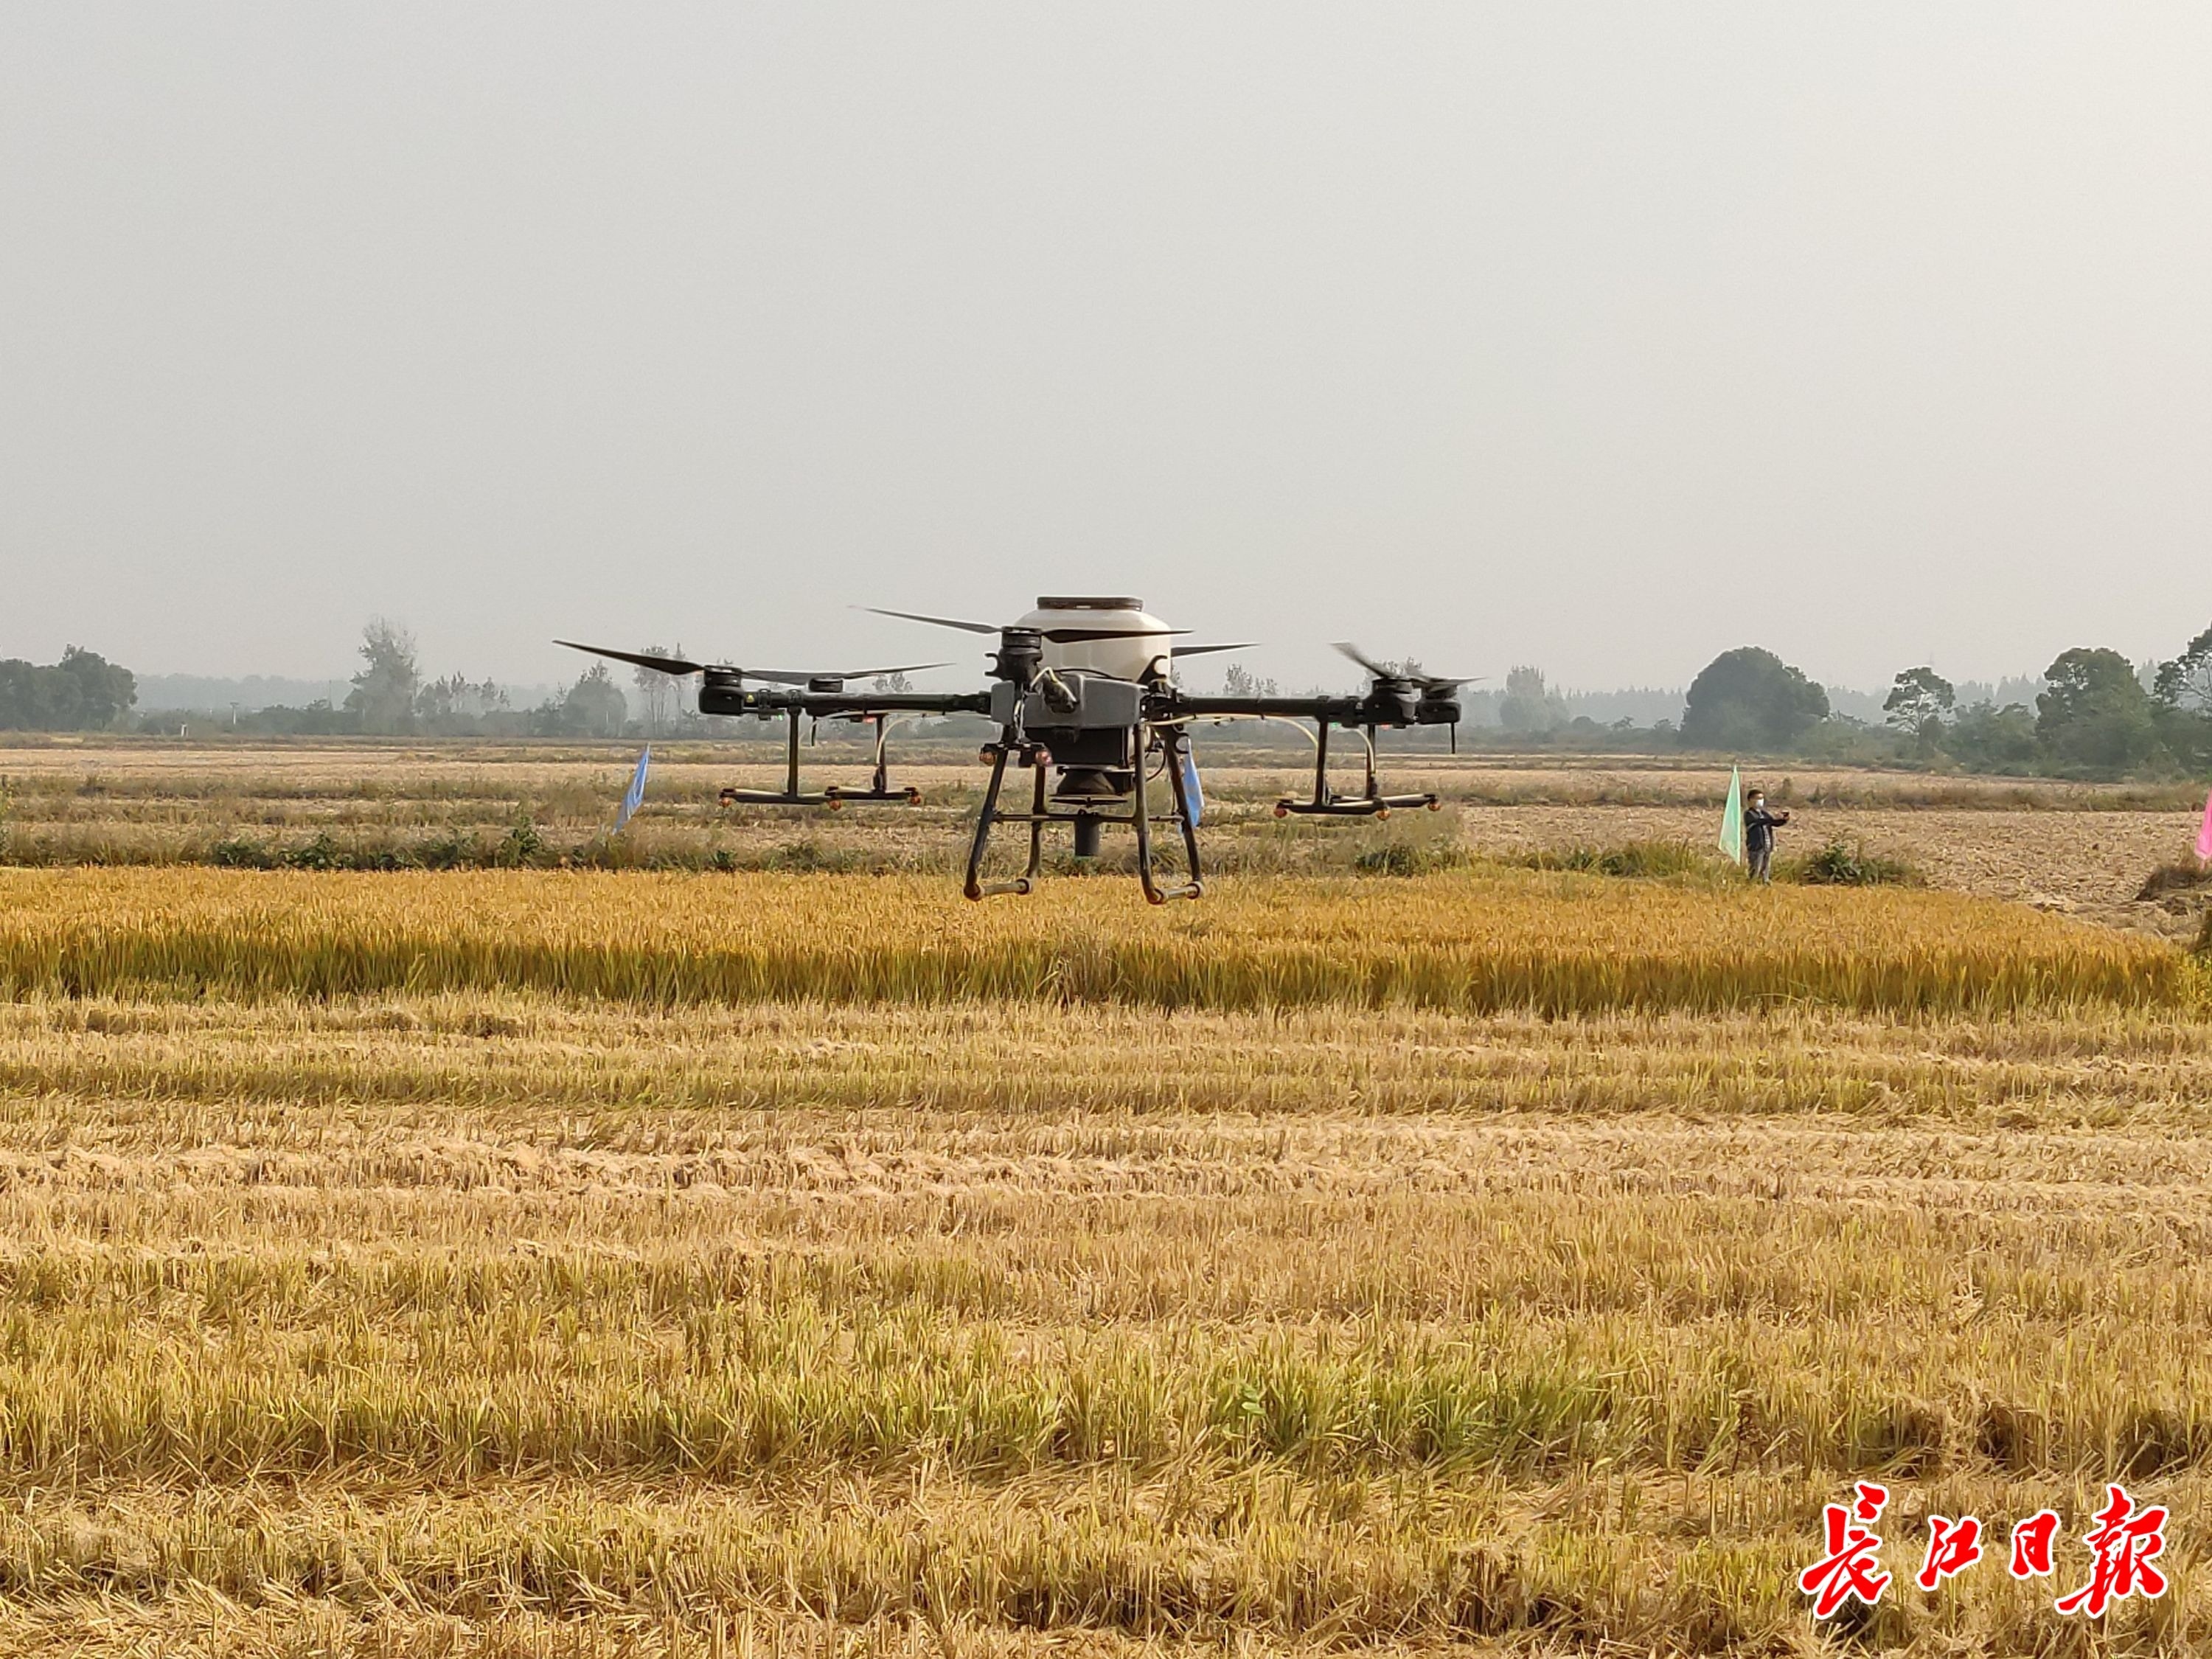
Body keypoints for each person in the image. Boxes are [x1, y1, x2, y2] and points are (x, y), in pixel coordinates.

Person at [1744, 789, 1790, 883]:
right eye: (1757, 799)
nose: (1760, 801)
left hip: (1767, 845)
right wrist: (1771, 819)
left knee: (1765, 870)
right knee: (1755, 869)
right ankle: (1752, 885)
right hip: (1756, 846)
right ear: (1750, 800)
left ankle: (1764, 884)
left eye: (1761, 798)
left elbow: (1773, 822)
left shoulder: (1764, 813)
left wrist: (1783, 820)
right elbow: (1759, 822)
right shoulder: (1749, 814)